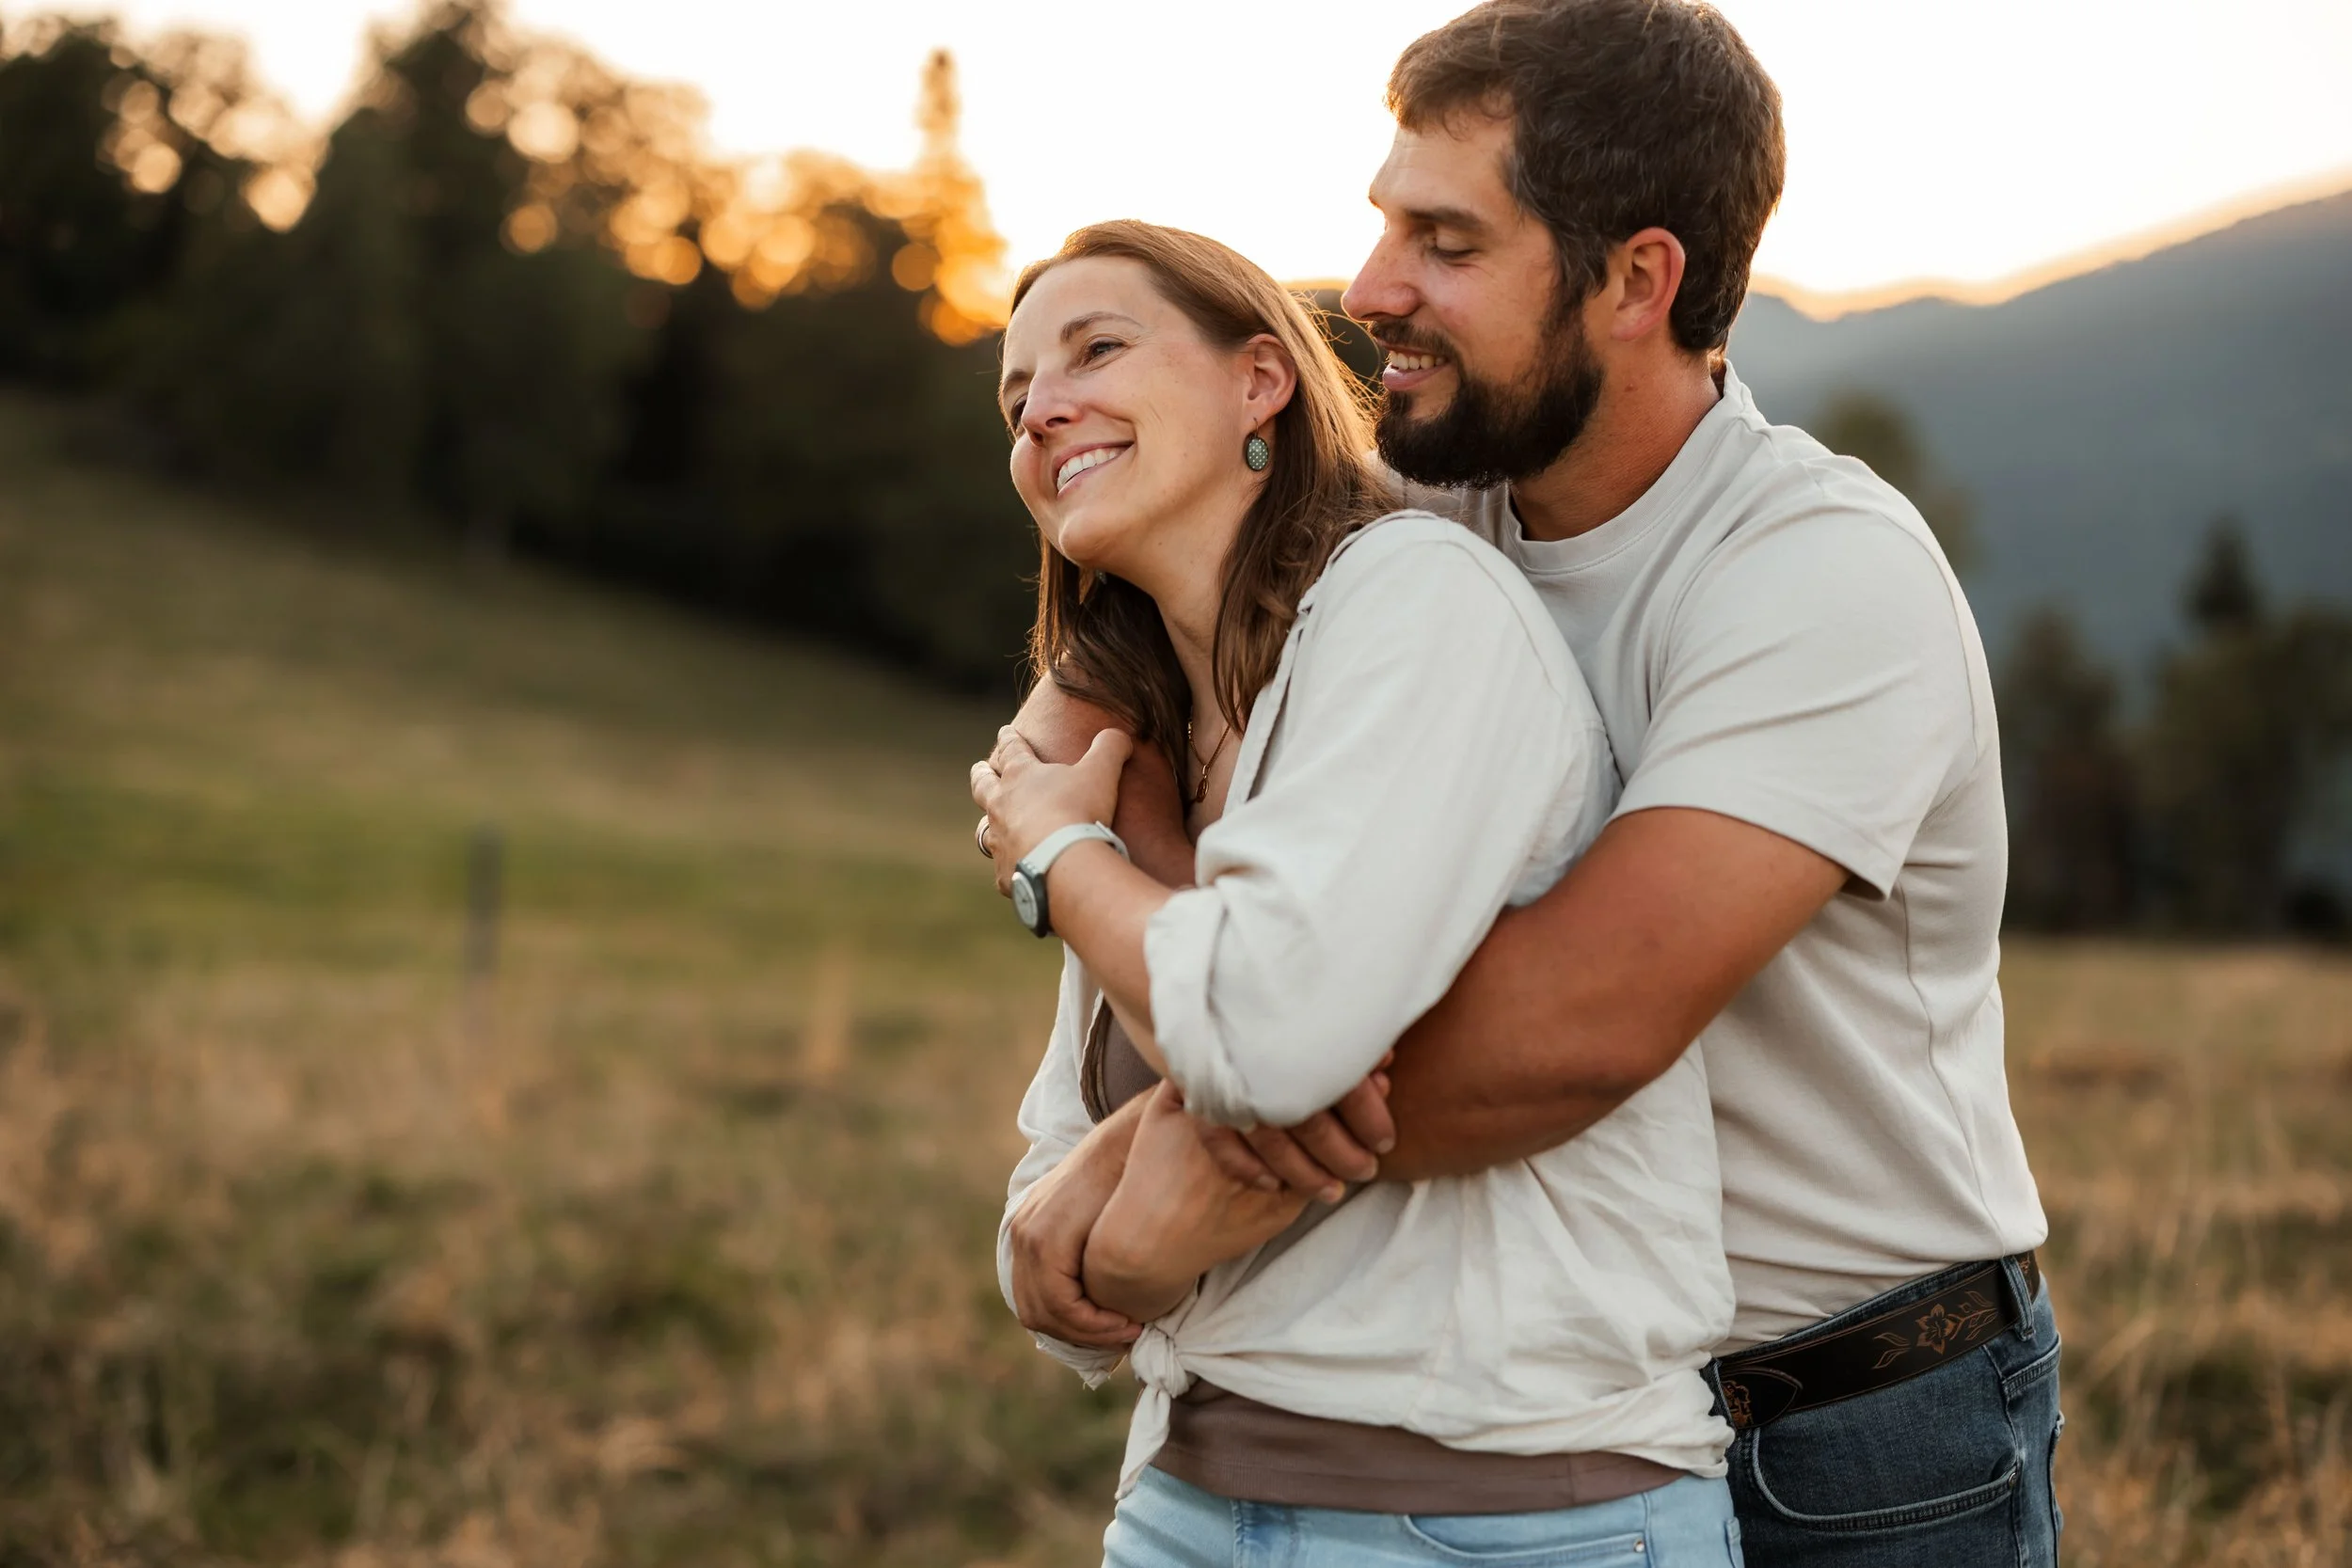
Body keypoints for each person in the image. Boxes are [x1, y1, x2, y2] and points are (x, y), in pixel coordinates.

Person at [982, 4, 2060, 1566]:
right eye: (1381, 228)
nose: (1370, 293)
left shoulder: (1821, 577)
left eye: (1446, 242)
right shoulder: (1419, 506)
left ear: (1637, 278)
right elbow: (1067, 735)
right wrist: (1160, 940)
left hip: (1855, 1427)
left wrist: (1150, 1157)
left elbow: (1566, 1032)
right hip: (1558, 1397)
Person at [971, 218, 1743, 1566]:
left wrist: (1057, 864)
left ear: (1260, 380)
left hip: (1516, 1520)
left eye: (1098, 348)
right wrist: (1119, 1240)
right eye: (1018, 393)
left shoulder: (1417, 604)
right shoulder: (1136, 752)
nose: (1044, 406)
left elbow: (1269, 1031)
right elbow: (1044, 1232)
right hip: (1186, 1507)